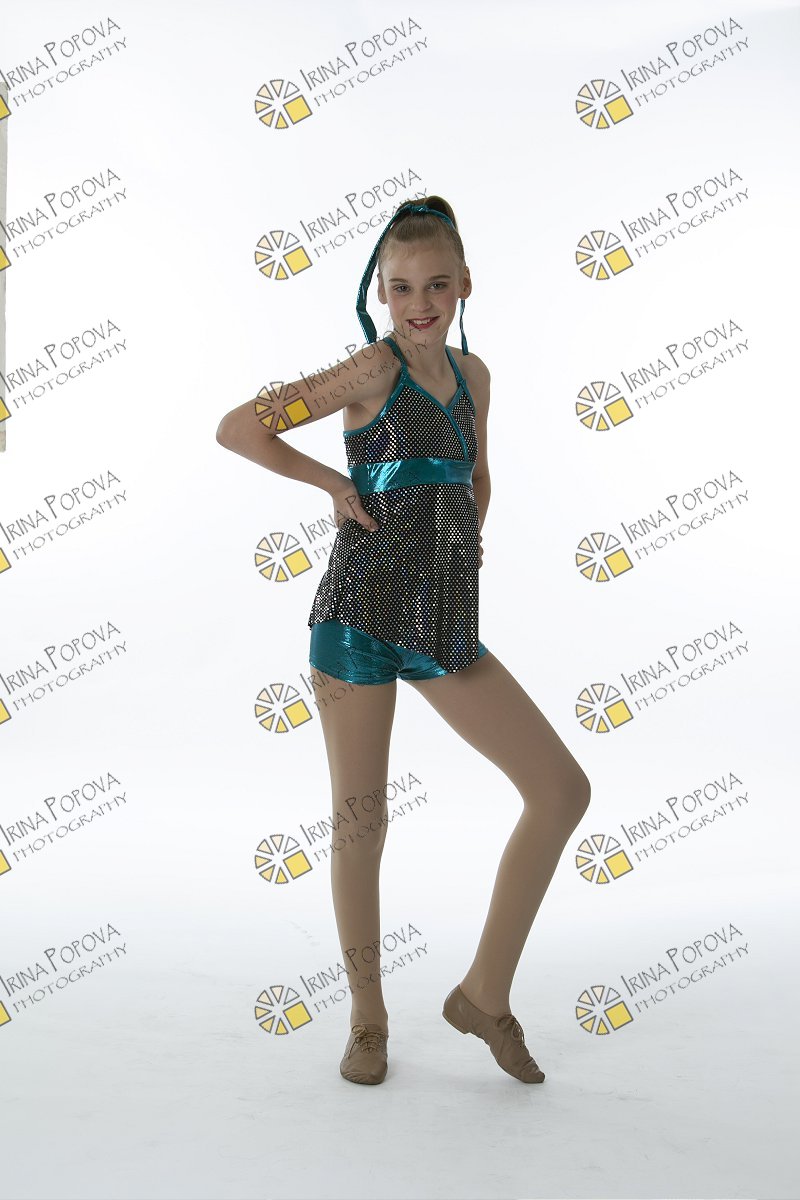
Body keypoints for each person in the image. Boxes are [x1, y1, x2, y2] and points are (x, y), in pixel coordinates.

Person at [216, 195, 591, 1087]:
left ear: (464, 285)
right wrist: (330, 485)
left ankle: (483, 995)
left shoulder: (476, 376)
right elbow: (239, 427)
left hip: (441, 621)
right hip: (355, 620)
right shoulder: (370, 369)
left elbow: (478, 477)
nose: (419, 302)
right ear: (380, 294)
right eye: (401, 287)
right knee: (362, 821)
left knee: (560, 791)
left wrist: (459, 547)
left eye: (436, 284)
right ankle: (367, 1017)